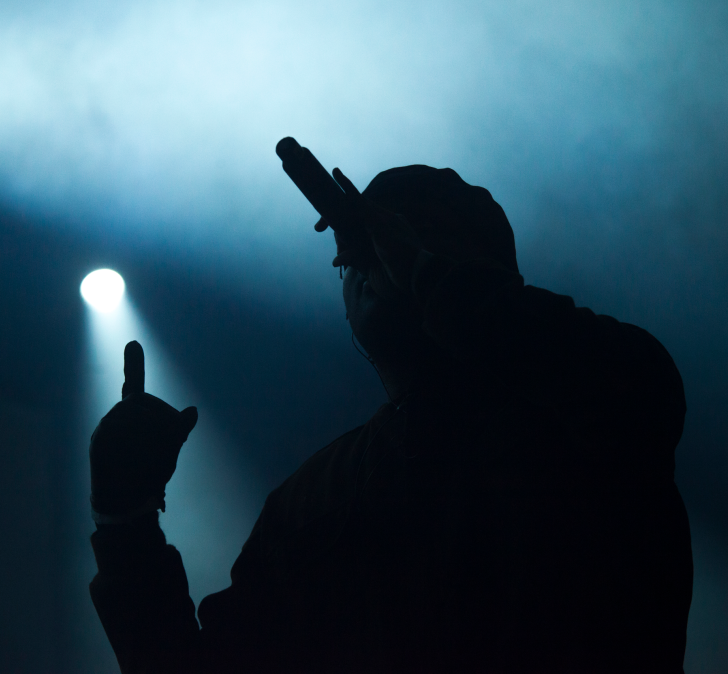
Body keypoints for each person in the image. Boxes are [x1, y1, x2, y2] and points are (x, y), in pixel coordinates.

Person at [87, 164, 693, 673]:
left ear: (486, 272)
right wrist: (125, 522)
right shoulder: (314, 499)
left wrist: (426, 275)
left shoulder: (603, 398)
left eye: (401, 233)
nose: (366, 258)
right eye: (356, 246)